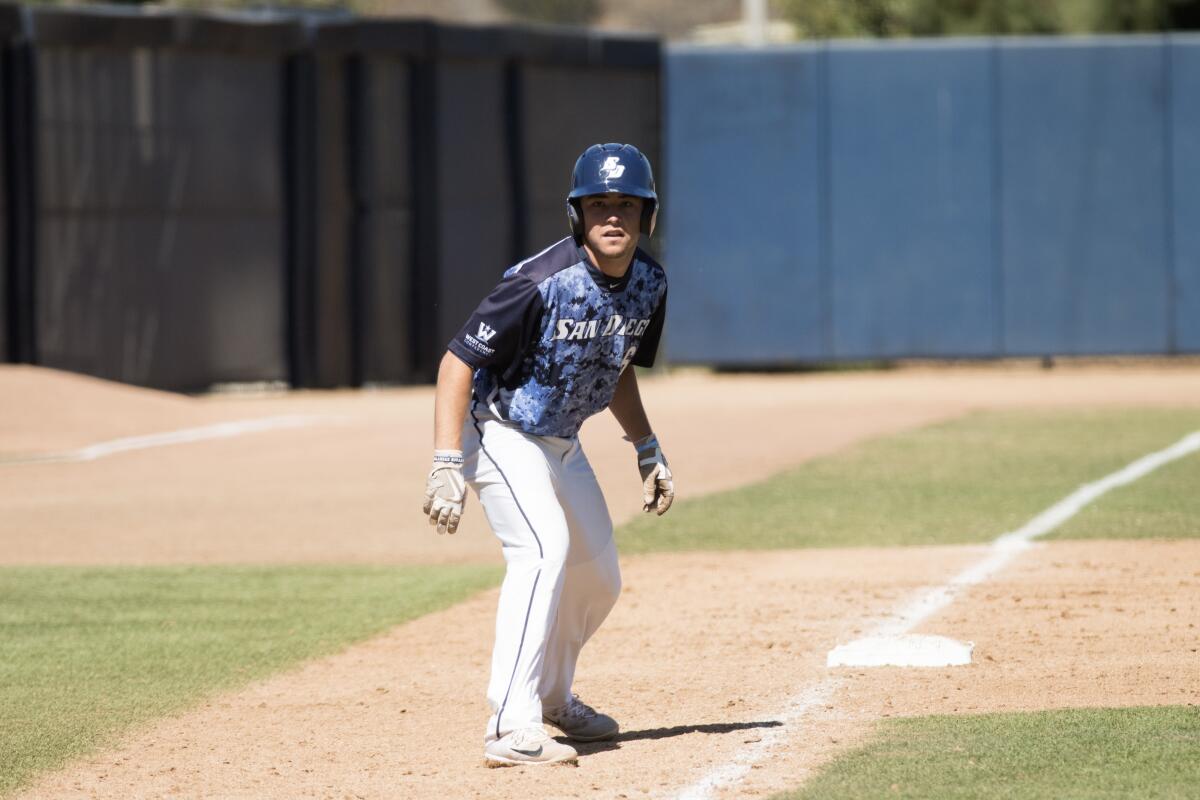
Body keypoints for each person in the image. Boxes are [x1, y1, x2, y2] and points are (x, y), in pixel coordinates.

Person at [423, 143, 674, 768]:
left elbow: (615, 366)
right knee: (541, 551)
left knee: (598, 576)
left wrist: (646, 446)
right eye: (598, 204)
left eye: (626, 204)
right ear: (576, 214)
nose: (612, 216)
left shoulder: (649, 283)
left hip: (564, 441)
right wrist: (447, 460)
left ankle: (555, 697)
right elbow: (458, 361)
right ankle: (510, 724)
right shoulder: (537, 283)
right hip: (502, 431)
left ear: (648, 214)